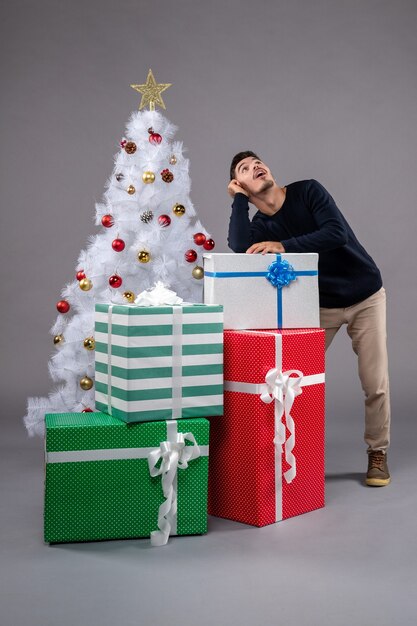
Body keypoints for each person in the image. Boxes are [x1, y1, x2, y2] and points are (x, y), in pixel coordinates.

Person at [227, 150, 391, 486]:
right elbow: (239, 245)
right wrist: (239, 201)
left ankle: (378, 452)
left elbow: (336, 234)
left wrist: (283, 246)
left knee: (375, 384)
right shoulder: (260, 227)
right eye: (244, 168)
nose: (255, 166)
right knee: (289, 382)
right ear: (239, 184)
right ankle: (289, 455)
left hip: (365, 295)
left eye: (258, 161)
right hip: (319, 306)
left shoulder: (307, 191)